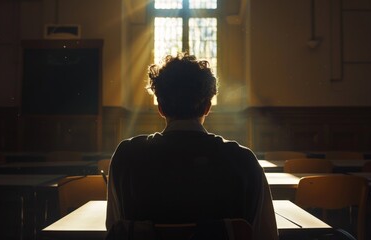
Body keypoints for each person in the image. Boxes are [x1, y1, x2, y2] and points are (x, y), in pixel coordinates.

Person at [106, 53, 278, 240]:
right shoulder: (243, 161)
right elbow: (266, 235)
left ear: (161, 108)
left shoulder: (126, 157)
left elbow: (115, 230)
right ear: (207, 107)